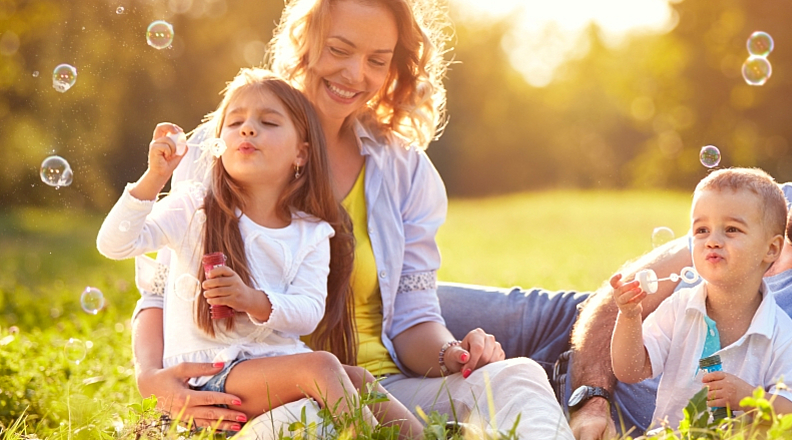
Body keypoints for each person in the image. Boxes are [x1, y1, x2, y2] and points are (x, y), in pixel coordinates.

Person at [129, 0, 574, 438]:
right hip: (268, 392)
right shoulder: (222, 148)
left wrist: (453, 355)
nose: (356, 74)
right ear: (303, 41)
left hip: (387, 392)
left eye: (376, 60)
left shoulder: (404, 169)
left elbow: (413, 320)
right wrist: (150, 377)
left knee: (517, 377)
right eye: (339, 50)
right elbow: (160, 291)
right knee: (298, 427)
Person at [437, 108, 792, 437]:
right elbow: (626, 290)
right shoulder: (774, 201)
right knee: (385, 303)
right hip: (569, 329)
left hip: (622, 417)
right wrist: (591, 398)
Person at [98, 68, 421, 436]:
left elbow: (309, 311)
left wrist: (254, 300)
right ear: (219, 145)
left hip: (270, 368)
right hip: (209, 377)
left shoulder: (311, 232)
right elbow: (115, 243)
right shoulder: (192, 208)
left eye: (268, 122)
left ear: (301, 153)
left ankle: (428, 436)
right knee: (321, 367)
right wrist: (154, 178)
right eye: (235, 122)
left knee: (358, 378)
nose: (248, 129)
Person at [610, 168, 792, 429]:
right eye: (702, 229)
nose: (712, 241)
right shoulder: (679, 309)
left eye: (731, 229)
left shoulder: (780, 334)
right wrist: (629, 316)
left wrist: (748, 398)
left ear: (770, 249)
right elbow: (629, 370)